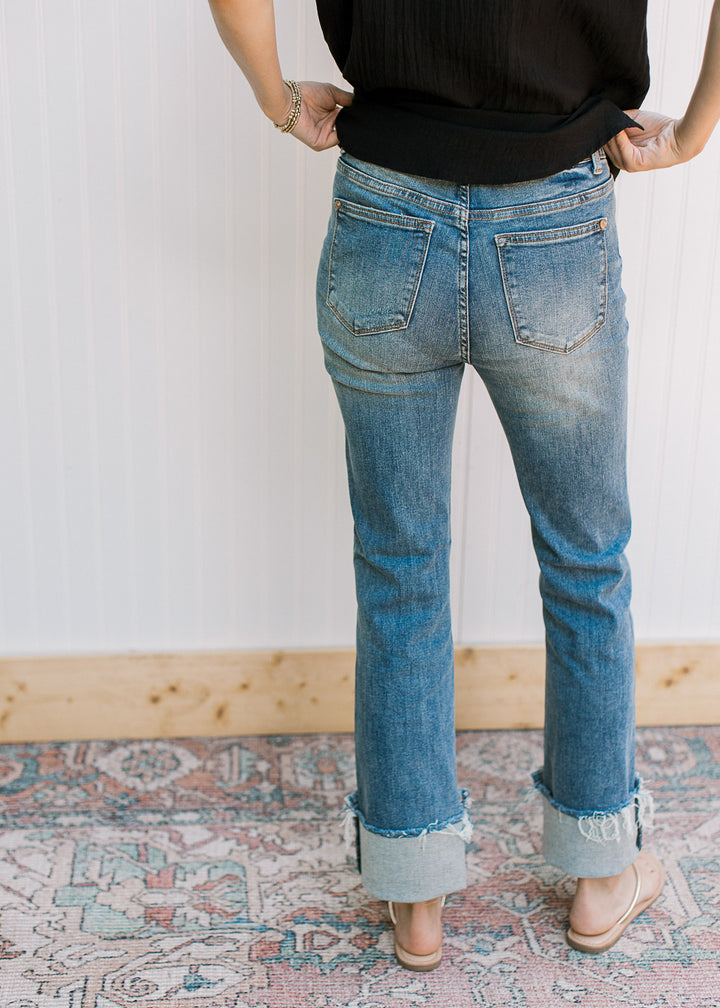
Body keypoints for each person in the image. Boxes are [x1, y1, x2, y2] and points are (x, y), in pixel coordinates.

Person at [208, 0, 720, 971]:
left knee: (398, 568)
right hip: (555, 216)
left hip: (382, 213)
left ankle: (416, 899)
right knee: (585, 563)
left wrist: (280, 102)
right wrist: (696, 127)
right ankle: (603, 875)